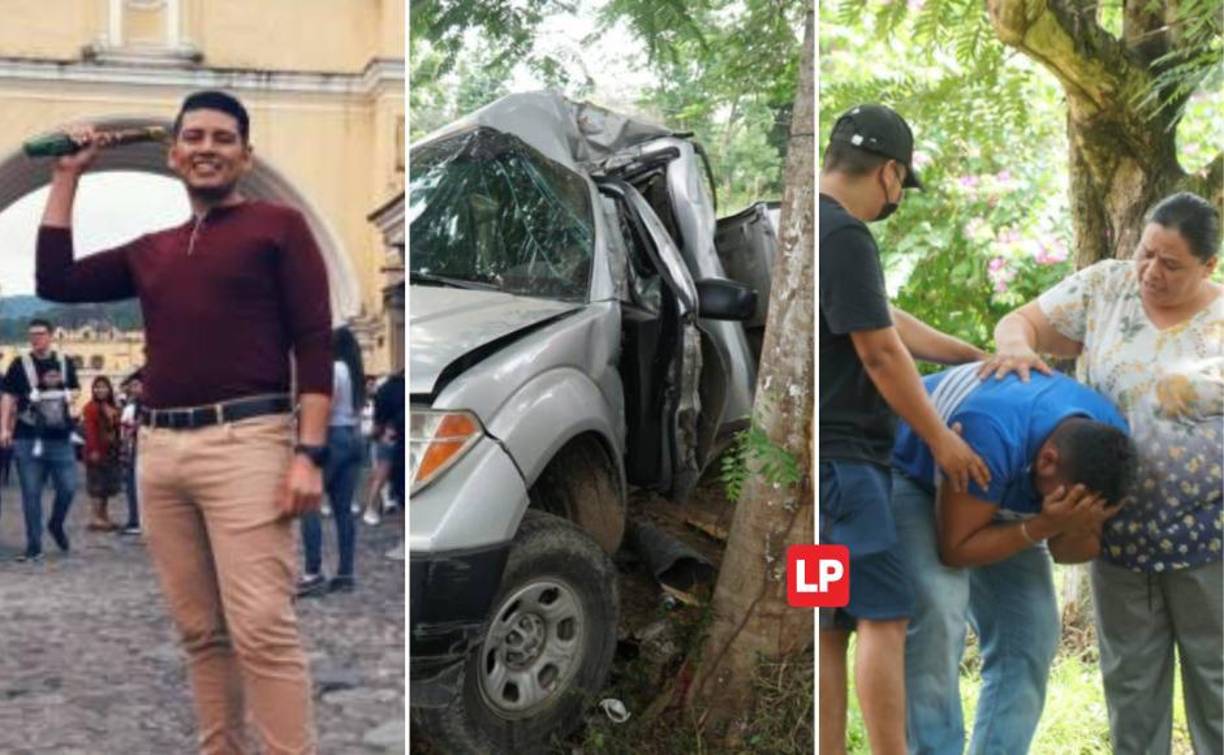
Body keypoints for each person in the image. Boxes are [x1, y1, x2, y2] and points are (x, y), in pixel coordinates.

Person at [36, 89, 332, 754]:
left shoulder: (278, 227)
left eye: (222, 138)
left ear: (245, 154)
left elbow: (313, 340)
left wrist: (308, 452)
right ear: (174, 155)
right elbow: (55, 278)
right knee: (201, 630)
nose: (207, 148)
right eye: (194, 137)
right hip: (160, 449)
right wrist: (66, 176)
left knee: (261, 626)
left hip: (248, 440)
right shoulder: (152, 249)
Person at [983, 192, 1223, 755]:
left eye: (1171, 264)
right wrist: (1016, 350)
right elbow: (1019, 323)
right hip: (1111, 532)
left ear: (1208, 266)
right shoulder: (1107, 287)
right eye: (1146, 253)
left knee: (1216, 683)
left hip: (1210, 540)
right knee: (1131, 690)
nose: (1151, 271)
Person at [819, 103, 992, 755]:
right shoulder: (845, 234)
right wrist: (940, 439)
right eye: (901, 183)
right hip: (850, 473)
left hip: (811, 473)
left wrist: (975, 356)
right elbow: (881, 351)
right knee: (885, 617)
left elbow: (889, 321)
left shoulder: (812, 228)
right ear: (890, 173)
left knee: (827, 625)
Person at [891, 364, 1137, 753]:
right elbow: (954, 550)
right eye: (1064, 499)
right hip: (913, 473)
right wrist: (1042, 525)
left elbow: (1067, 550)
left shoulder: (1107, 452)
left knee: (1032, 632)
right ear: (1047, 461)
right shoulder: (992, 430)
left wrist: (1072, 523)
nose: (1068, 508)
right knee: (940, 608)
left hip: (1000, 496)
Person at [0, 318, 80, 562]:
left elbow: (76, 389)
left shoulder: (64, 363)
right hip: (27, 435)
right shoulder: (19, 364)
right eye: (32, 334)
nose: (36, 338)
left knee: (68, 487)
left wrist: (69, 396)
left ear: (51, 335)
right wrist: (4, 428)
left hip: (60, 437)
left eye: (41, 333)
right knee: (30, 493)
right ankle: (34, 545)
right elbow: (8, 397)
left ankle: (55, 524)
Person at [297, 326, 365, 597]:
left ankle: (313, 572)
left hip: (332, 435)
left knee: (309, 504)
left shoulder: (334, 370)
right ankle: (345, 573)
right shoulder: (356, 374)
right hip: (353, 436)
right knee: (343, 510)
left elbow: (325, 403)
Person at [82, 375, 123, 531]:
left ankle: (104, 516)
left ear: (109, 389)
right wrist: (93, 450)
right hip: (96, 450)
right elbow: (90, 431)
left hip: (110, 451)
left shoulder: (112, 406)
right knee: (96, 486)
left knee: (106, 487)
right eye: (97, 387)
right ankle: (95, 518)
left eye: (103, 387)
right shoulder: (90, 407)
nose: (100, 390)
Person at [373, 369, 405, 561]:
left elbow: (379, 424)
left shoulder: (387, 389)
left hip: (397, 444)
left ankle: (404, 542)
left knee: (401, 493)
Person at [119, 369, 144, 535]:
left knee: (136, 486)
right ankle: (134, 518)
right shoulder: (132, 407)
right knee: (131, 486)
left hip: (144, 449)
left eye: (136, 385)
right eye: (131, 386)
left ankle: (137, 520)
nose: (133, 390)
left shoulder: (143, 406)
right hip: (134, 448)